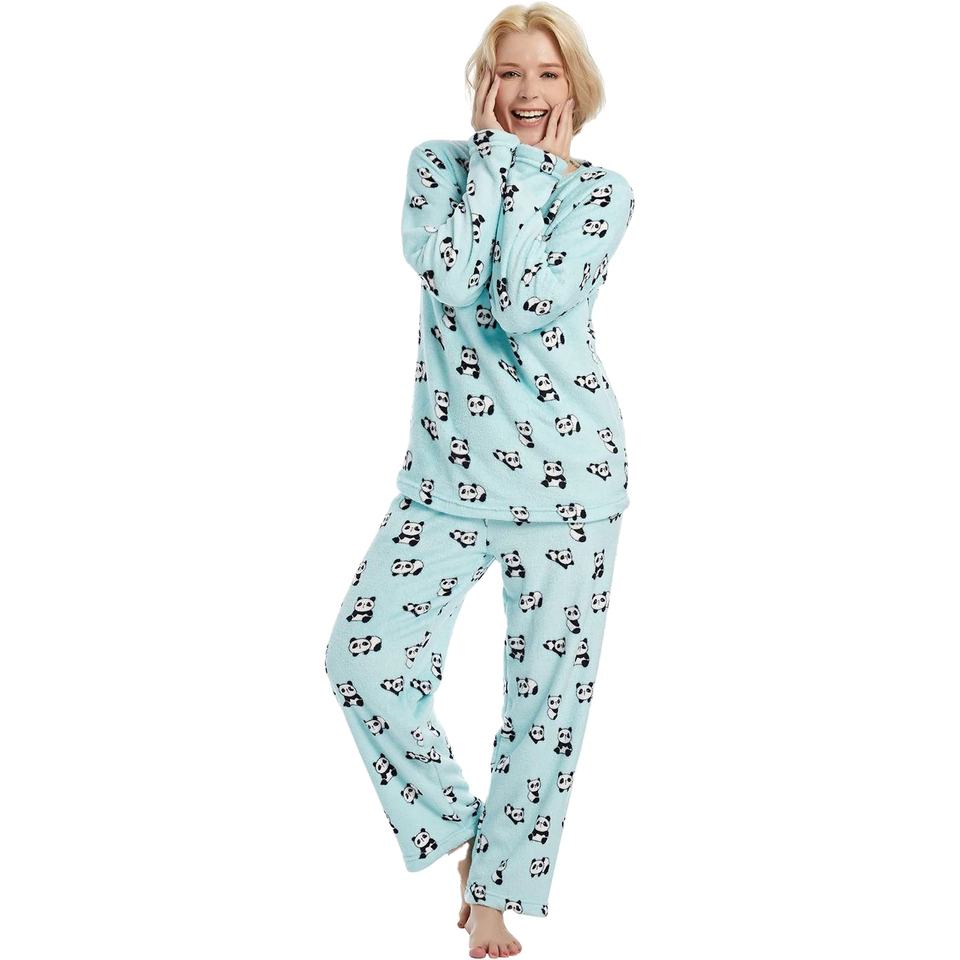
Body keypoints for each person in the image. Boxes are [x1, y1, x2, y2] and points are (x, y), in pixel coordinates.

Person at [324, 5, 635, 956]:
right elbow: (456, 278)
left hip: (571, 485)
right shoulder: (438, 167)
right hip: (444, 481)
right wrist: (502, 164)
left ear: (574, 85)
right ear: (483, 83)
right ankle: (463, 836)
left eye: (546, 73)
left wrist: (529, 172)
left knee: (545, 703)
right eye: (508, 73)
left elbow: (526, 299)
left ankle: (497, 896)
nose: (527, 92)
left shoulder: (603, 194)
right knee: (362, 663)